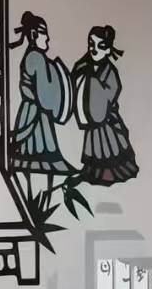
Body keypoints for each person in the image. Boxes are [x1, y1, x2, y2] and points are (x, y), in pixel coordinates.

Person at [71, 24, 138, 186]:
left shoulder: (110, 71)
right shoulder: (82, 66)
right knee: (93, 147)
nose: (94, 49)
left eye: (100, 46)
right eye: (91, 44)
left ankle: (109, 173)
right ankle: (92, 172)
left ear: (108, 49)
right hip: (91, 118)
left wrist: (93, 84)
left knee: (110, 147)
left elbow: (110, 93)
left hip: (107, 119)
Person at [9, 11, 73, 177]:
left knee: (32, 158)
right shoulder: (36, 57)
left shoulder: (33, 56)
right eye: (44, 33)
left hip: (32, 111)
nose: (48, 38)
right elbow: (45, 96)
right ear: (34, 34)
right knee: (39, 155)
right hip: (36, 113)